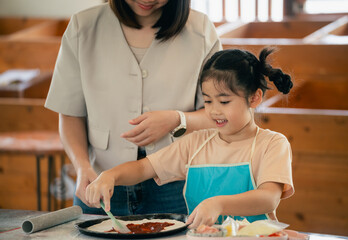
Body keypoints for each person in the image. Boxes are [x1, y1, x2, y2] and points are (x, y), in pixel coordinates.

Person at [45, 0, 221, 215]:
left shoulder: (200, 30)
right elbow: (70, 113)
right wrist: (82, 167)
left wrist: (177, 119)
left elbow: (218, 115)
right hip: (100, 181)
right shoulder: (83, 26)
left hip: (176, 184)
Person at [84, 48, 295, 228]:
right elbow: (143, 169)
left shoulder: (272, 144)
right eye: (208, 101)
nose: (214, 111)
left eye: (224, 102)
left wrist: (218, 204)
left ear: (254, 98)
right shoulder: (195, 143)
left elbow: (269, 197)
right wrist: (110, 176)